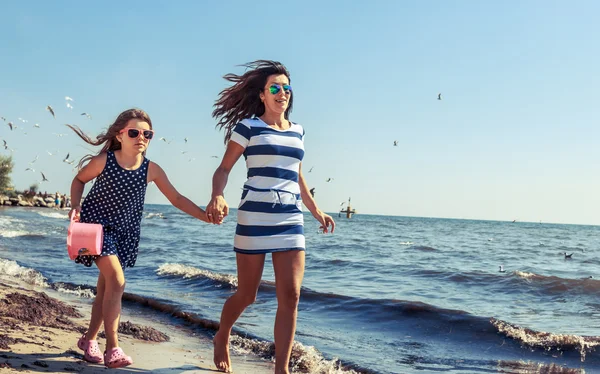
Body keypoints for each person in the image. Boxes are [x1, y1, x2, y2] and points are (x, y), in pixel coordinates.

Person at [206, 60, 335, 374]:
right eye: (275, 88)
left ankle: (281, 369)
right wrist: (217, 195)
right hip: (254, 218)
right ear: (262, 95)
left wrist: (315, 210)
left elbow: (297, 176)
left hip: (290, 219)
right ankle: (222, 334)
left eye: (286, 88)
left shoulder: (298, 132)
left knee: (290, 295)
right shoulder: (248, 128)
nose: (282, 93)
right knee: (247, 294)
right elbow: (224, 169)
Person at [67, 109, 212, 368]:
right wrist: (75, 205)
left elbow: (176, 199)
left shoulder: (151, 170)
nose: (141, 137)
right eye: (134, 132)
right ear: (120, 135)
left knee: (106, 290)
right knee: (117, 281)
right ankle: (113, 347)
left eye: (147, 134)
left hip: (124, 233)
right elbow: (79, 180)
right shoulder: (105, 161)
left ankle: (89, 340)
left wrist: (204, 216)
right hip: (96, 230)